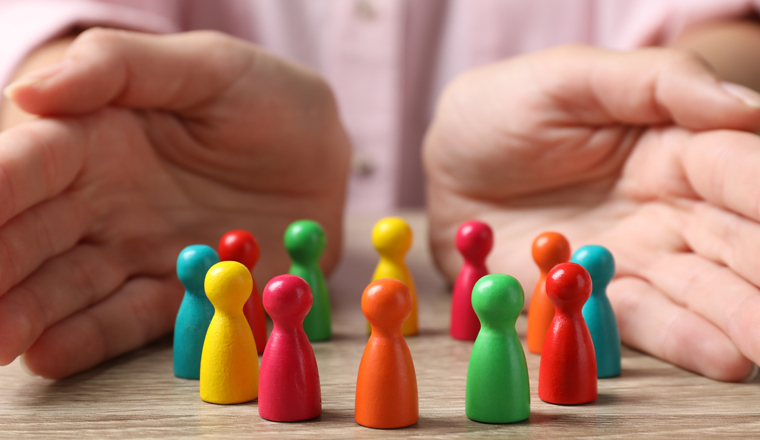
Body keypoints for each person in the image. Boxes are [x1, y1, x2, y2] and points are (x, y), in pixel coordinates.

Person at [1, 0, 760, 381]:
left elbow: (724, 29)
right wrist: (75, 108)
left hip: (622, 201)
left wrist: (703, 103)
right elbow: (65, 34)